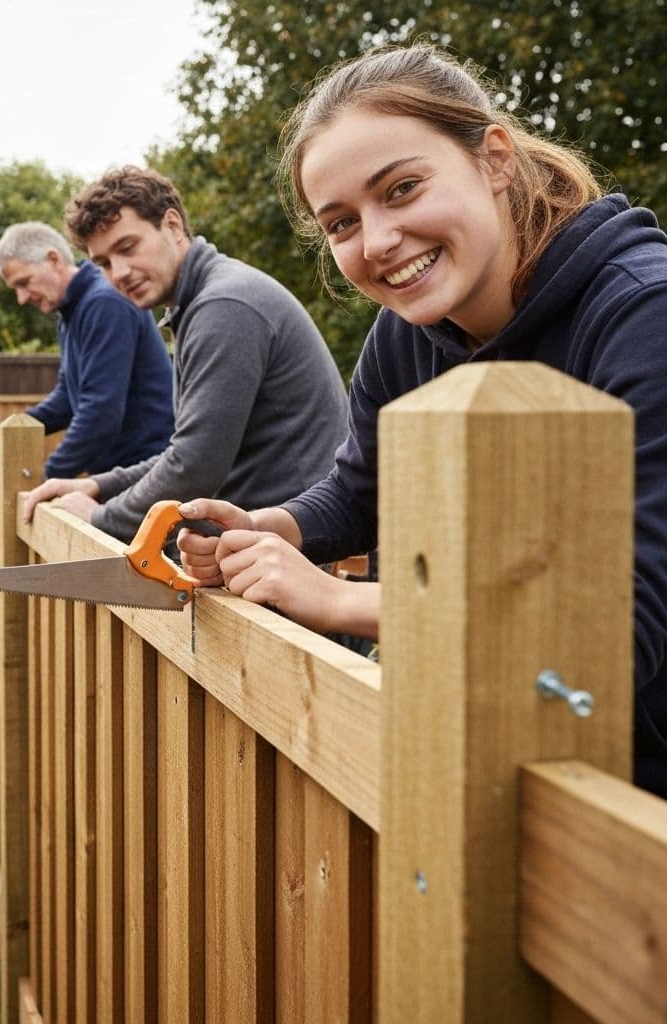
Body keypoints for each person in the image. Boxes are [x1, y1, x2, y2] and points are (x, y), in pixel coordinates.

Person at [175, 43, 667, 799]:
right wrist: (278, 529)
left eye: (401, 189)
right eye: (340, 224)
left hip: (629, 788)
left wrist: (340, 600)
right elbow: (359, 490)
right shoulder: (407, 332)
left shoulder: (643, 314)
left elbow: (613, 632)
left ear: (494, 159)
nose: (376, 243)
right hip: (487, 749)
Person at [21, 167, 350, 543]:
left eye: (128, 247)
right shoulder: (200, 304)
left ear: (173, 226)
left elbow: (193, 466)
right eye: (104, 263)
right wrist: (98, 486)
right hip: (257, 544)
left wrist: (100, 517)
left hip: (296, 552)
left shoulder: (224, 306)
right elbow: (184, 449)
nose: (120, 273)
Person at [0, 221, 174, 479]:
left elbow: (100, 413)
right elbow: (67, 398)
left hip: (149, 474)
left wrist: (42, 479)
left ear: (54, 259)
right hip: (121, 475)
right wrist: (10, 437)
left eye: (24, 282)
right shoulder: (71, 313)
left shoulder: (104, 303)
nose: (21, 299)